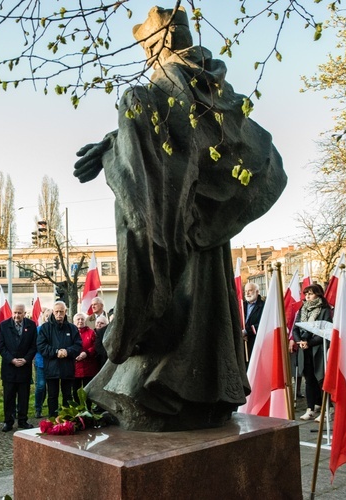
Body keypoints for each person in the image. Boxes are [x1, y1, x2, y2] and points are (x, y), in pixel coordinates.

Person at [73, 6, 286, 430]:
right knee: (205, 315)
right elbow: (228, 151)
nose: (148, 57)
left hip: (180, 230)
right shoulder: (216, 90)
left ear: (158, 45)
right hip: (206, 232)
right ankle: (206, 391)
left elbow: (159, 148)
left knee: (176, 319)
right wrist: (117, 142)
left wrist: (117, 148)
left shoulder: (166, 79)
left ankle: (166, 390)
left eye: (148, 48)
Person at [292, 284, 333, 421]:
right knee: (308, 378)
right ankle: (310, 408)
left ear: (318, 294)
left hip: (318, 348)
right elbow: (295, 328)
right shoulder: (302, 309)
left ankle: (327, 408)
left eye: (310, 293)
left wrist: (309, 342)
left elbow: (325, 330)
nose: (307, 297)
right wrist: (300, 342)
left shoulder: (324, 310)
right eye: (306, 294)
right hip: (304, 348)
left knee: (320, 378)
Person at [37, 301, 81, 417]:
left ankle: (67, 420)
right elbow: (41, 346)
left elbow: (78, 345)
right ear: (53, 312)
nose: (59, 314)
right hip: (51, 367)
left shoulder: (72, 328)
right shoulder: (45, 328)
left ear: (65, 312)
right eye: (56, 311)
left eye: (61, 311)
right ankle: (53, 419)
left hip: (67, 367)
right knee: (52, 395)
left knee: (67, 395)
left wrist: (67, 351)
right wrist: (56, 352)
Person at [0, 304, 37, 431]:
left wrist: (26, 359)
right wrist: (12, 360)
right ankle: (8, 422)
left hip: (24, 367)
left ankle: (22, 420)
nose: (16, 315)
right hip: (9, 368)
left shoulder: (31, 325)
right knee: (8, 397)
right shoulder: (4, 326)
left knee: (23, 396)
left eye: (19, 313)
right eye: (15, 312)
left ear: (24, 313)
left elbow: (34, 346)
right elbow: (1, 347)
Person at [73, 312, 100, 403]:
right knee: (75, 390)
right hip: (74, 367)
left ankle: (88, 408)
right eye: (78, 319)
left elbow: (95, 346)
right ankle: (77, 408)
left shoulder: (91, 333)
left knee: (88, 389)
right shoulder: (71, 333)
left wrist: (87, 353)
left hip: (89, 366)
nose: (80, 321)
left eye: (82, 319)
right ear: (74, 321)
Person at [33, 308, 52, 419]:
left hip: (53, 362)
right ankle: (38, 408)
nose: (48, 317)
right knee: (40, 386)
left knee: (51, 387)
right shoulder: (38, 330)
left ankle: (51, 409)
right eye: (46, 315)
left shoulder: (54, 329)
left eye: (50, 315)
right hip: (41, 361)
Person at [243, 283, 265, 362]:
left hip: (256, 343)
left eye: (250, 290)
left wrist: (246, 332)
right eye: (245, 291)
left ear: (257, 291)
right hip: (243, 343)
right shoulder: (241, 306)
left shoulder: (263, 306)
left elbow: (263, 324)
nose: (247, 293)